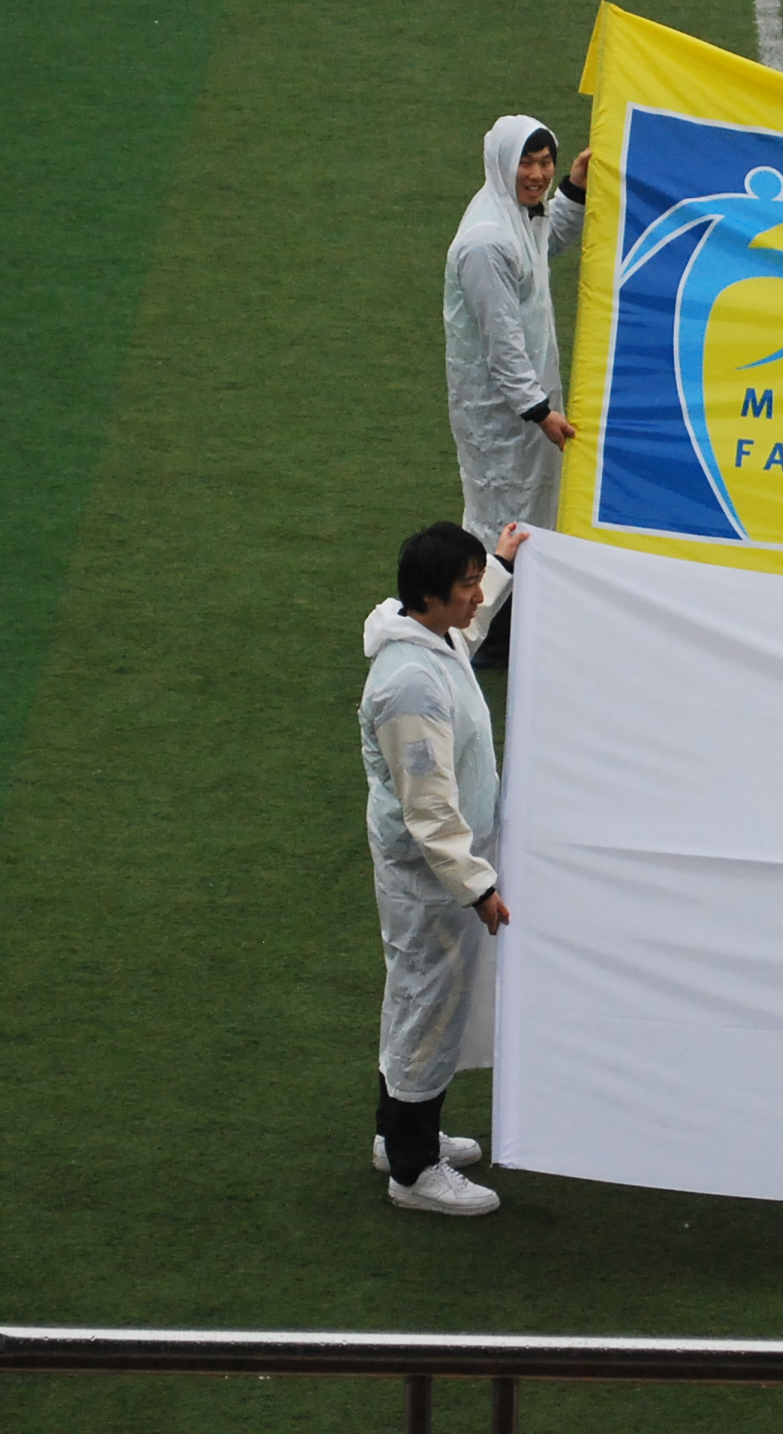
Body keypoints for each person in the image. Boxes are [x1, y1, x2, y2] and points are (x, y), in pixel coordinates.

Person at [360, 519, 525, 1217]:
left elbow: (472, 625)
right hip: (431, 880)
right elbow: (428, 807)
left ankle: (397, 1135)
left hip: (434, 874)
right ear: (430, 596)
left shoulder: (431, 635)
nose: (476, 596)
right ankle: (413, 1169)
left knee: (417, 1000)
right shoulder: (409, 688)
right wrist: (477, 886)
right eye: (467, 584)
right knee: (428, 1007)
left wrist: (502, 561)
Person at [444, 115, 590, 548]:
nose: (538, 174)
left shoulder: (516, 213)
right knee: (503, 523)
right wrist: (539, 411)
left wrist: (574, 189)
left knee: (529, 519)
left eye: (546, 162)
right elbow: (501, 343)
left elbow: (544, 244)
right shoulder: (486, 242)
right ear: (503, 163)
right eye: (526, 163)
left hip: (526, 407)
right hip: (504, 415)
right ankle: (488, 594)